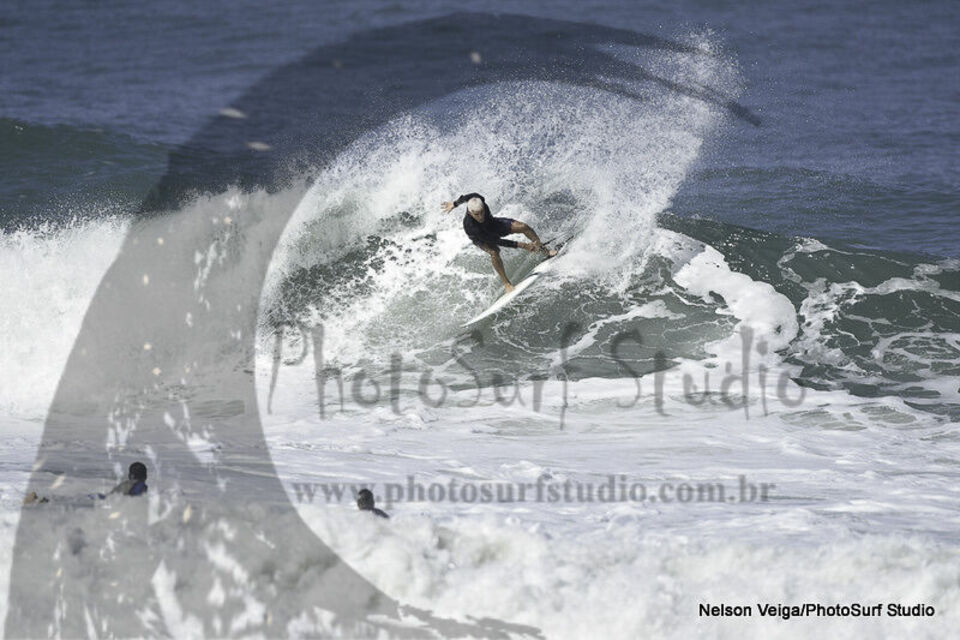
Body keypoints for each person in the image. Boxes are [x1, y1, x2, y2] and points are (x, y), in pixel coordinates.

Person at [442, 193, 556, 292]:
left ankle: (544, 250)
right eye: (477, 214)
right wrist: (524, 245)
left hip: (494, 224)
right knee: (494, 252)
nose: (481, 216)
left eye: (482, 212)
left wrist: (455, 203)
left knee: (523, 227)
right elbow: (495, 241)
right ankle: (506, 283)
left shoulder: (477, 198)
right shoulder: (470, 226)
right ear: (470, 213)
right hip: (481, 237)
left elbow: (466, 197)